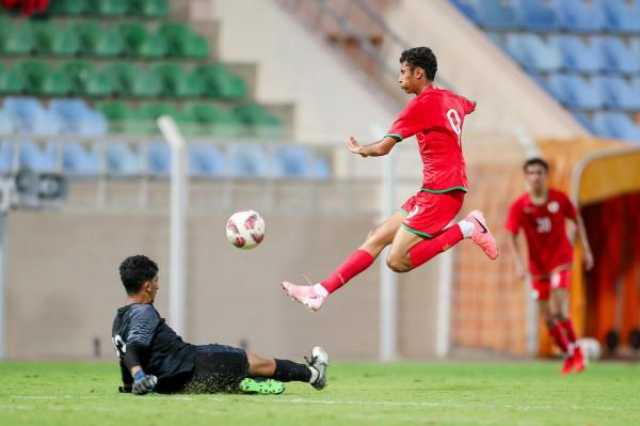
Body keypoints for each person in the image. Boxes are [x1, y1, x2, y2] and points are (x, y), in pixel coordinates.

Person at [281, 46, 498, 311]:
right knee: (376, 238)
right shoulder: (451, 99)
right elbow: (469, 105)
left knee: (397, 261)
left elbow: (383, 148)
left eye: (404, 72)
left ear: (419, 73)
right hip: (434, 189)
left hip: (442, 192)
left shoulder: (420, 105)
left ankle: (468, 228)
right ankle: (319, 291)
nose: (399, 78)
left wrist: (361, 150)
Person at [112, 255, 328, 395]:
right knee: (257, 362)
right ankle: (313, 374)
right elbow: (133, 349)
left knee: (230, 371)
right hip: (192, 365)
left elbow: (125, 354)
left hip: (170, 383)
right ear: (148, 286)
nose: (158, 286)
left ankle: (248, 383)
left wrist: (130, 385)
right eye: (156, 281)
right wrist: (139, 376)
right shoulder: (144, 312)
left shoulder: (119, 320)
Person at [505, 157, 594, 374]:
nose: (536, 177)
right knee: (547, 317)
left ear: (546, 175)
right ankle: (570, 353)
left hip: (560, 261)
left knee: (558, 309)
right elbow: (511, 234)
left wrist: (587, 250)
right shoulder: (519, 206)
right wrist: (518, 263)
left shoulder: (559, 199)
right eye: (531, 173)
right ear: (526, 177)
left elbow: (576, 220)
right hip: (537, 268)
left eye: (539, 172)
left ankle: (578, 353)